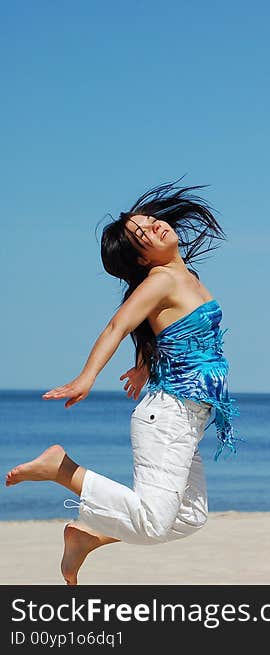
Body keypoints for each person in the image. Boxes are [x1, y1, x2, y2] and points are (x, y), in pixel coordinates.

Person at [4, 179, 241, 585]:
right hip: (167, 415)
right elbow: (118, 325)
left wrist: (144, 363)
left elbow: (168, 332)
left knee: (189, 518)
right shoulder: (160, 281)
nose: (153, 227)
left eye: (149, 222)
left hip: (188, 419)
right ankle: (61, 469)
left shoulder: (185, 277)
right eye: (141, 236)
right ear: (142, 260)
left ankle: (90, 536)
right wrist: (86, 377)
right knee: (152, 522)